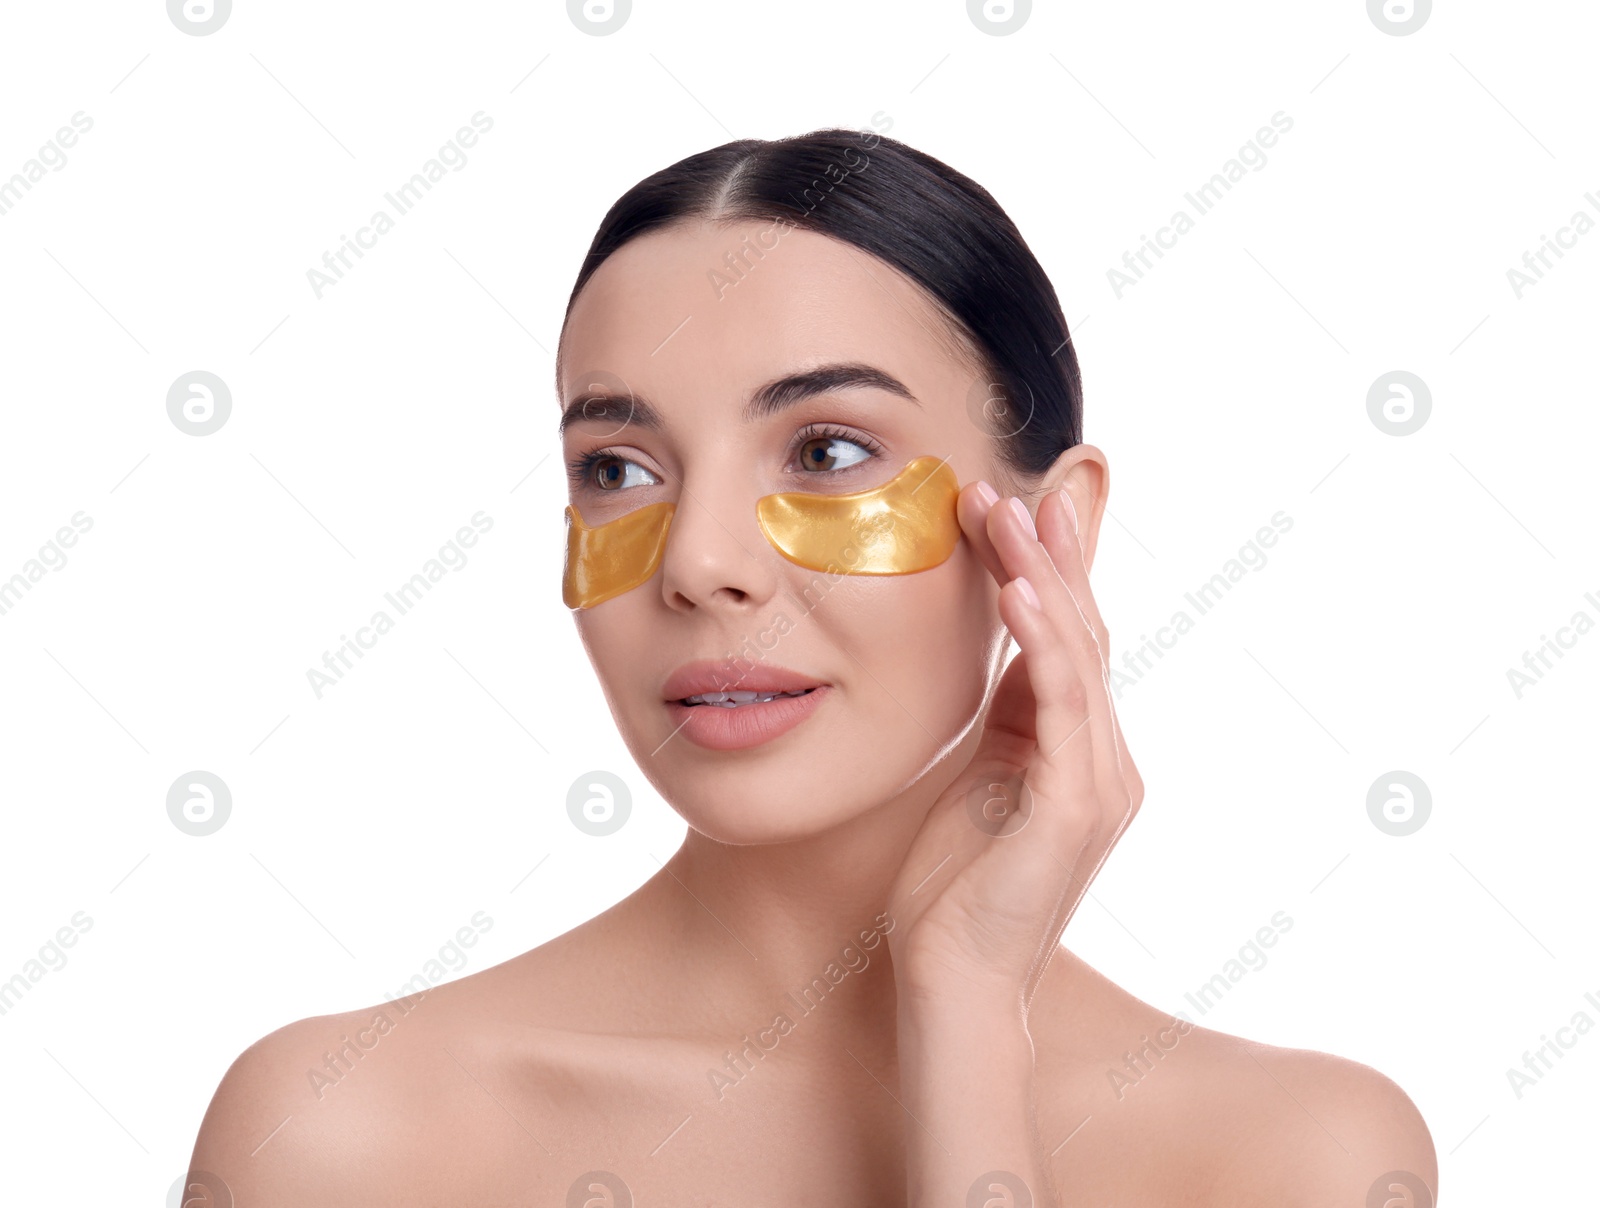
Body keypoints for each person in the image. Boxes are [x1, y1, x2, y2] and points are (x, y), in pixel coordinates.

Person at [189, 128, 1437, 1206]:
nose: (699, 562)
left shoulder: (1294, 1154)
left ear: (1054, 529)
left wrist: (962, 1018)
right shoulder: (337, 1132)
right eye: (617, 467)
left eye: (829, 449)